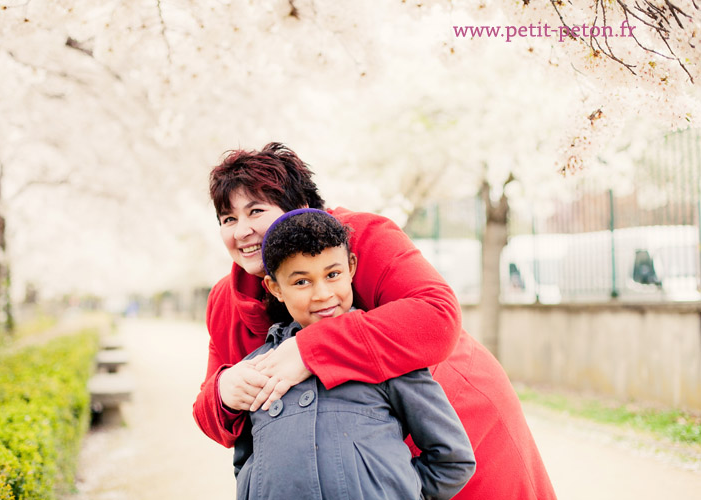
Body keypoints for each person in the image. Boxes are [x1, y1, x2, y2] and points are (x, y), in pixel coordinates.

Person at [193, 142, 557, 500]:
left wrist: (308, 350)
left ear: (300, 209)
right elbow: (219, 420)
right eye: (228, 219)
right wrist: (225, 391)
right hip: (345, 467)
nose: (241, 231)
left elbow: (436, 316)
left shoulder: (358, 237)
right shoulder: (227, 299)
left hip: (456, 420)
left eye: (256, 211)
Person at [233, 208, 475, 499]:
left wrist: (400, 492)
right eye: (301, 281)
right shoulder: (259, 367)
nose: (322, 293)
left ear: (351, 268)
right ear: (275, 288)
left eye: (333, 274)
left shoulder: (381, 354)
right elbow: (247, 463)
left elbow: (453, 457)